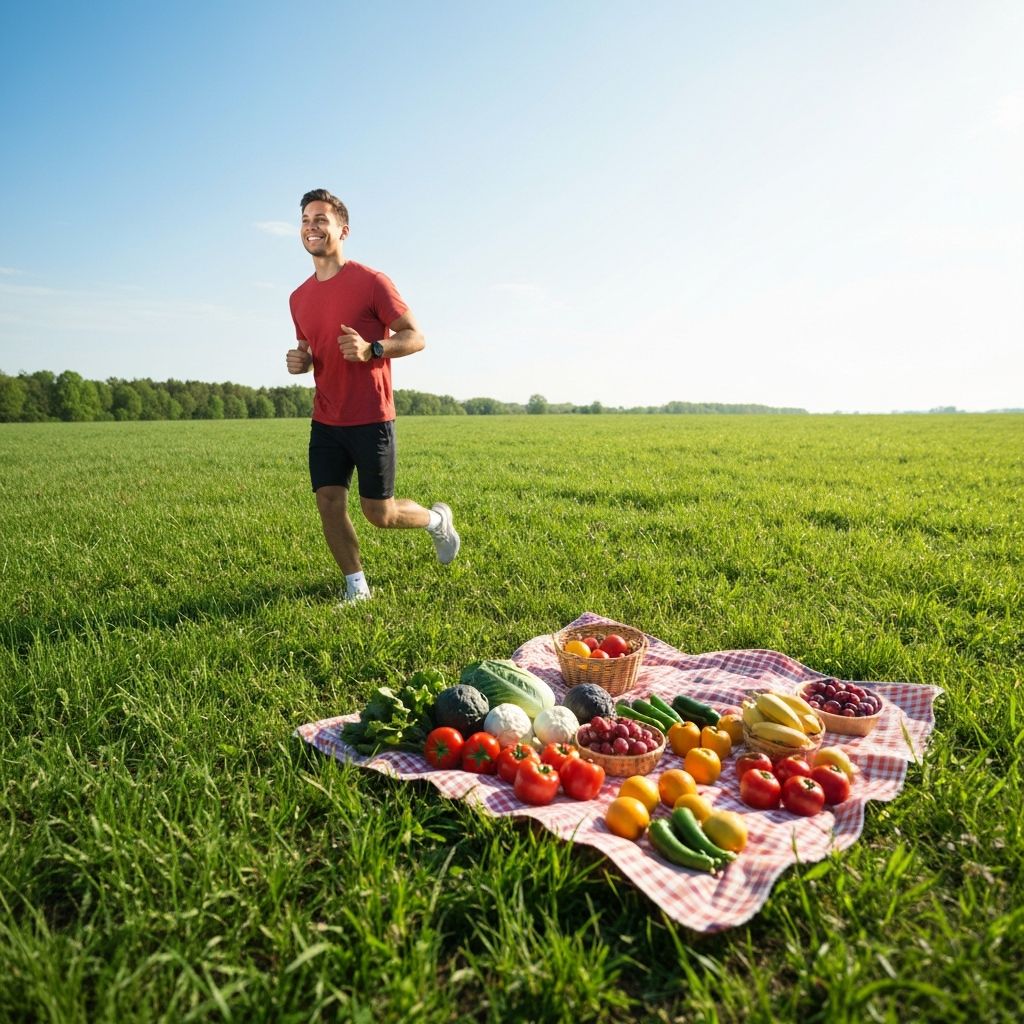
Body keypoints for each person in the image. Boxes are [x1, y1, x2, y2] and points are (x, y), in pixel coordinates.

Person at [285, 188, 459, 605]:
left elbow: (415, 337)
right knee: (328, 502)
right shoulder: (298, 298)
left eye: (321, 219)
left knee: (379, 513)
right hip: (326, 418)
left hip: (371, 416)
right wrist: (301, 361)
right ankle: (356, 587)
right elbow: (313, 350)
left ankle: (436, 520)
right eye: (306, 220)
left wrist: (373, 348)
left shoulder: (372, 282)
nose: (311, 227)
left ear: (342, 230)